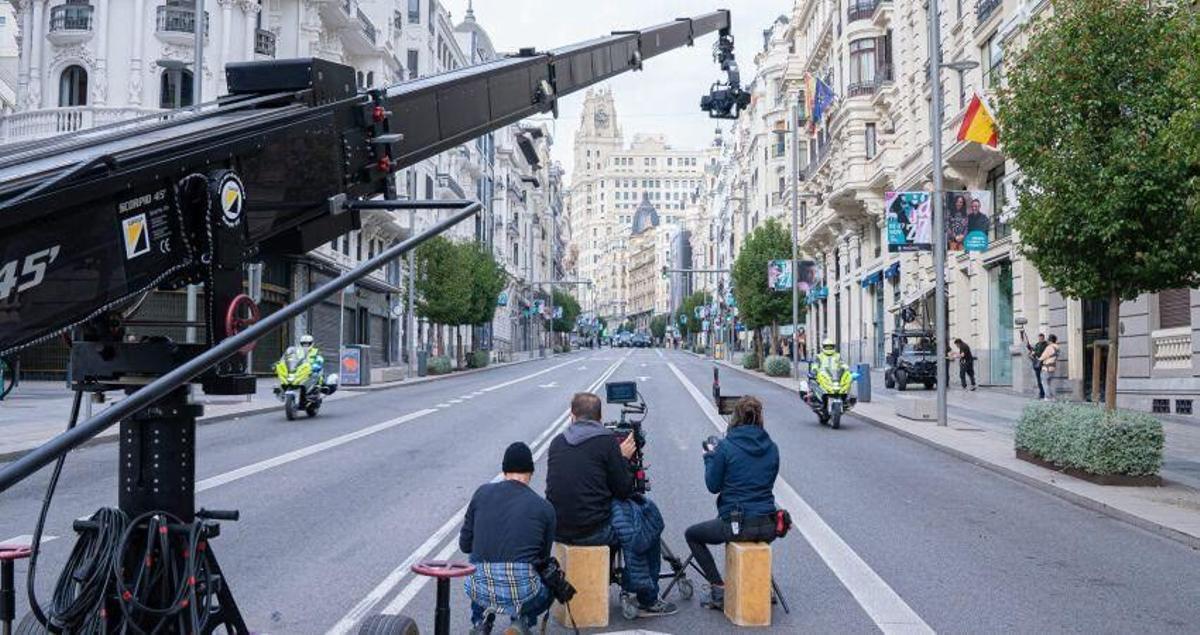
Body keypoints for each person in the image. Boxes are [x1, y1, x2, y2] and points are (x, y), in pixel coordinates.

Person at [545, 393, 677, 617]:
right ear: (600, 417)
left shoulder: (558, 442)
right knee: (647, 526)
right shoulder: (606, 442)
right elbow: (624, 490)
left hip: (559, 529)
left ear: (572, 416)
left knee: (613, 516)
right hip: (592, 532)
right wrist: (623, 458)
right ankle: (648, 598)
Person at [685, 397, 779, 611]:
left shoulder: (725, 447)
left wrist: (709, 457)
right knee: (748, 535)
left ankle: (718, 588)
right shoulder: (772, 447)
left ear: (734, 418)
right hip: (768, 525)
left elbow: (713, 485)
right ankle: (762, 586)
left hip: (737, 525)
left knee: (692, 535)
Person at [460, 442, 556, 633]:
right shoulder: (544, 508)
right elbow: (541, 559)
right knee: (548, 583)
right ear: (531, 472)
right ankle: (521, 622)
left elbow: (465, 545)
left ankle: (480, 623)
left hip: (480, 589)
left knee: (476, 563)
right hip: (523, 591)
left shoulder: (481, 493)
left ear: (504, 471)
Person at [1026, 333, 1048, 399]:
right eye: (1039, 338)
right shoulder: (1037, 344)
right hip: (1036, 364)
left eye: (1041, 338)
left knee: (1043, 380)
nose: (1040, 339)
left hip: (1042, 364)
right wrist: (1029, 347)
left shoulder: (1045, 345)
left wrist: (1034, 352)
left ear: (1043, 338)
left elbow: (1040, 353)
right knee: (1039, 380)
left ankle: (1043, 394)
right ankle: (1041, 393)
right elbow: (1034, 351)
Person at [1039, 335, 1060, 400]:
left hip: (1046, 368)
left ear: (1050, 341)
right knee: (1050, 383)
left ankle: (1047, 397)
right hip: (1052, 367)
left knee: (1044, 382)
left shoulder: (1049, 347)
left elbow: (1043, 356)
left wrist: (1038, 359)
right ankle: (1053, 397)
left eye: (1048, 340)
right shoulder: (1057, 348)